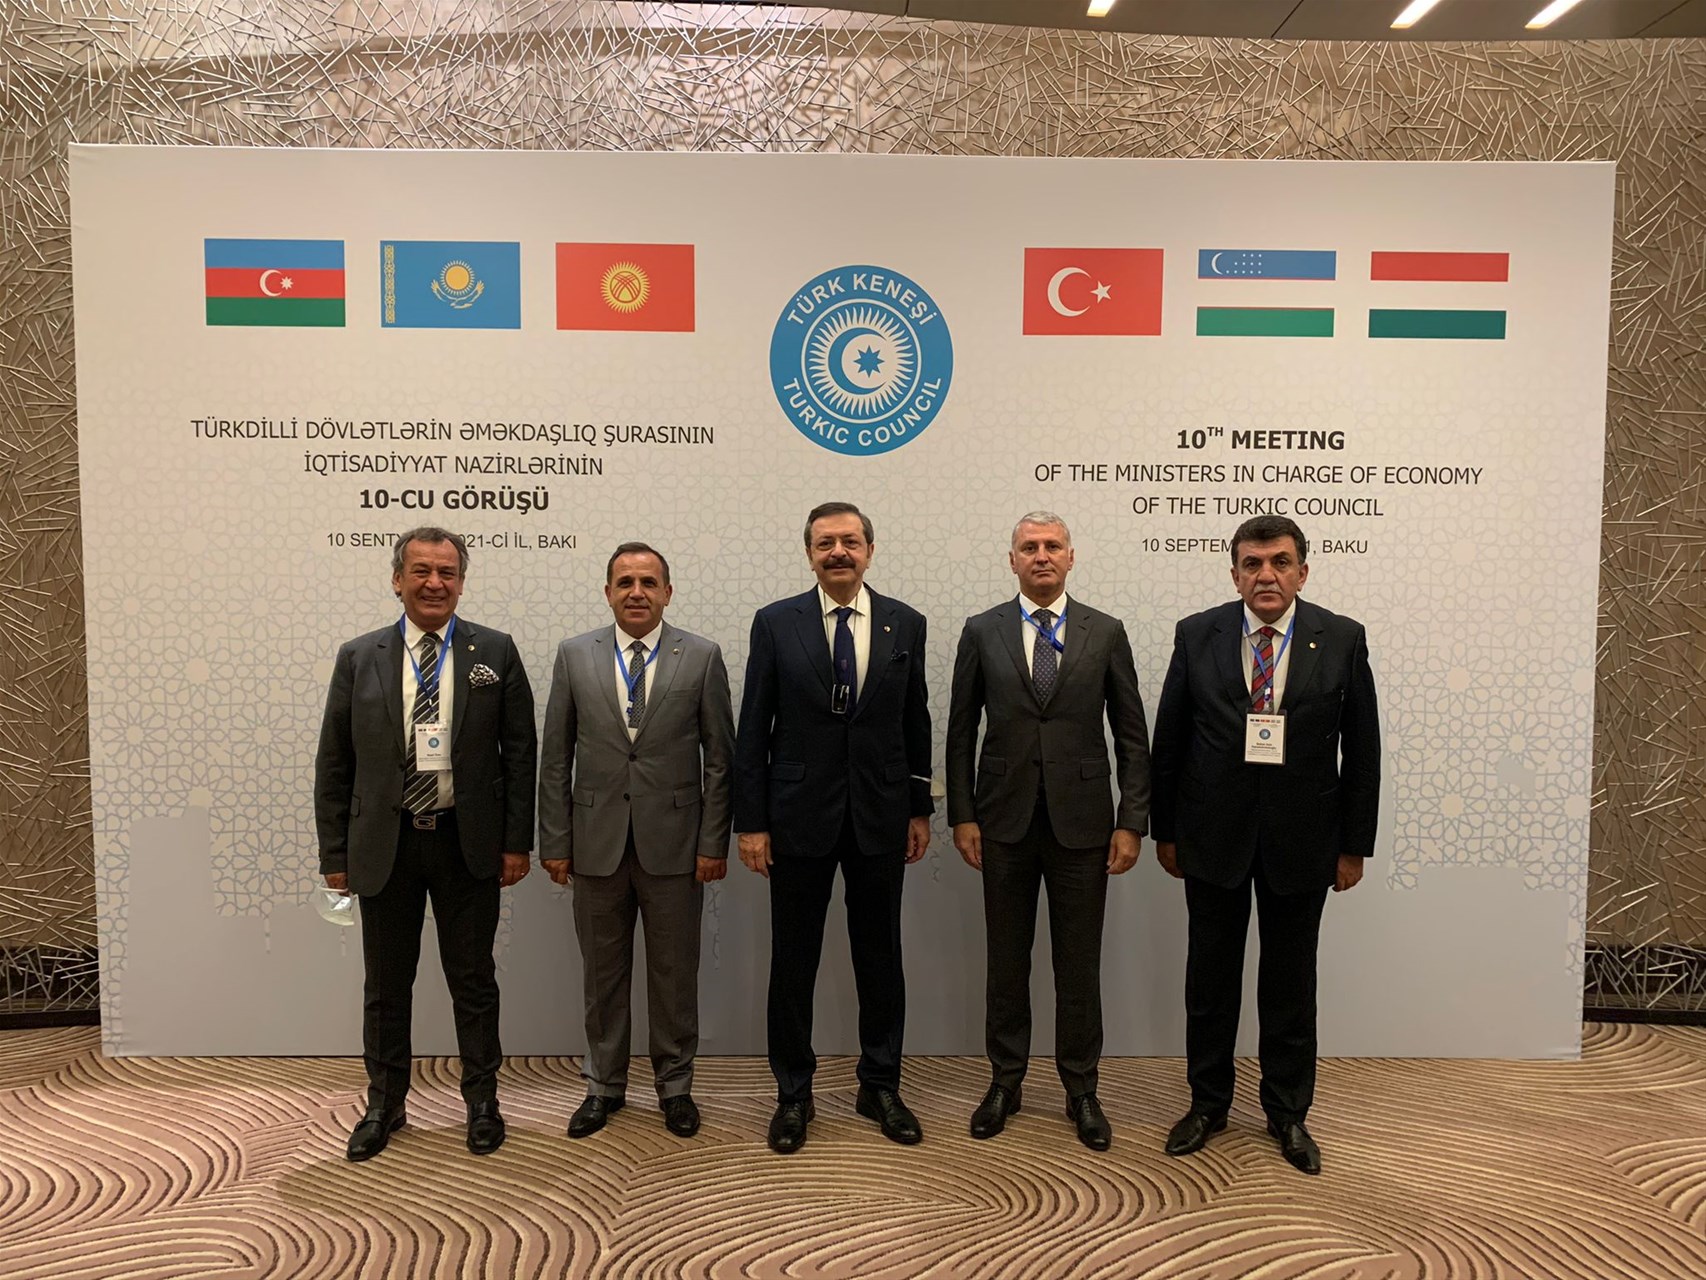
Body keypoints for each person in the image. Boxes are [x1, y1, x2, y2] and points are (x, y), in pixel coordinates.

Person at [1150, 514, 1380, 1175]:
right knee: (1210, 983)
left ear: (1302, 572)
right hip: (1211, 836)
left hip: (1304, 840)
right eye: (1252, 564)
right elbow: (1171, 740)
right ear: (1235, 575)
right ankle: (1207, 1104)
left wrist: (1353, 846)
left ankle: (1287, 1113)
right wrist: (1167, 831)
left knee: (1290, 985)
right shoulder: (1198, 634)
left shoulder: (1341, 637)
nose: (1266, 575)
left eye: (1280, 562)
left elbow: (1363, 749)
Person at [314, 526, 536, 1161]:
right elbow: (335, 760)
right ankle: (384, 1104)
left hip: (467, 843)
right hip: (386, 845)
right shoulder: (360, 656)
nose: (435, 583)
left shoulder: (496, 650)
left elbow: (520, 754)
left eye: (447, 572)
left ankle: (483, 1102)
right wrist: (335, 855)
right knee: (386, 986)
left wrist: (516, 842)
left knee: (474, 981)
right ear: (397, 580)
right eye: (421, 571)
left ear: (462, 582)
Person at [946, 512, 1150, 1150]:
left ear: (1070, 557)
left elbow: (1131, 735)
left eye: (1052, 546)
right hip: (1002, 822)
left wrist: (1132, 822)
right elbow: (959, 732)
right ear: (1012, 560)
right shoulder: (982, 630)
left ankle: (1081, 1089)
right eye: (1029, 547)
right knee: (1006, 962)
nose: (1041, 555)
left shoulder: (1105, 631)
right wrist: (963, 815)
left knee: (1078, 964)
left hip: (1084, 825)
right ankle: (1004, 1082)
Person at [734, 502, 933, 1154]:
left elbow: (915, 722)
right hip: (797, 818)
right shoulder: (775, 622)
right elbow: (753, 726)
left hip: (880, 815)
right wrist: (752, 822)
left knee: (881, 959)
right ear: (810, 553)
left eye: (850, 541)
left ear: (870, 550)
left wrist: (919, 808)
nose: (838, 552)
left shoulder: (906, 622)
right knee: (794, 962)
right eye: (826, 543)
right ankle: (794, 1094)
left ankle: (880, 1085)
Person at [537, 542, 734, 1140]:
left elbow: (720, 760)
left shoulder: (701, 656)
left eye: (649, 582)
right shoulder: (575, 655)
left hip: (675, 846)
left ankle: (675, 1087)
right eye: (625, 582)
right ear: (608, 592)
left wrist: (713, 843)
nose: (637, 592)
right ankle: (603, 1085)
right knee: (602, 976)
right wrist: (555, 840)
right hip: (595, 843)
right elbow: (555, 758)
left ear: (668, 592)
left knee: (674, 976)